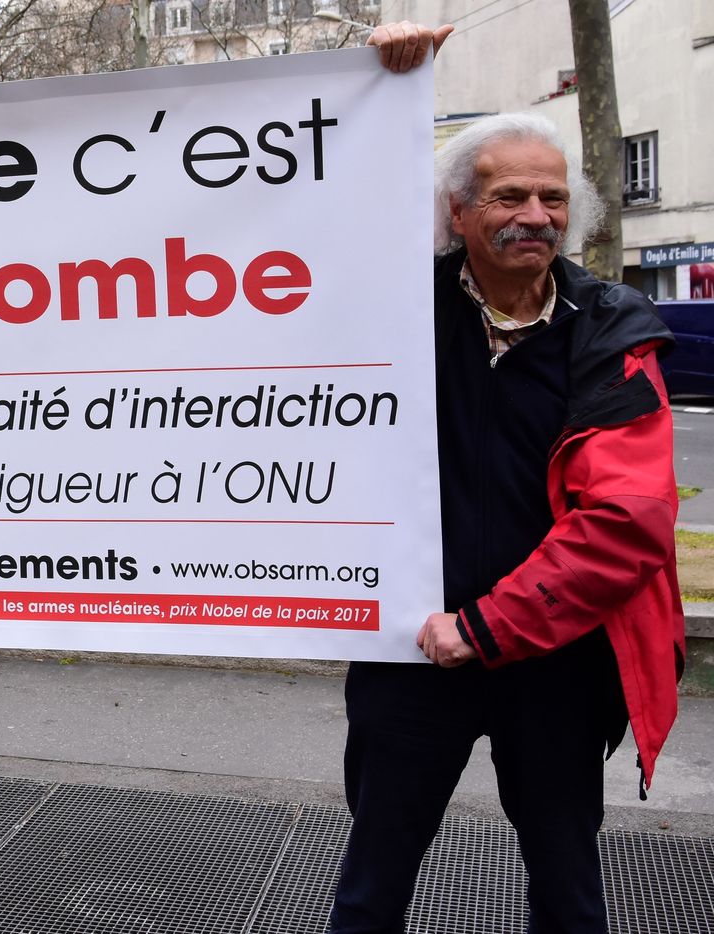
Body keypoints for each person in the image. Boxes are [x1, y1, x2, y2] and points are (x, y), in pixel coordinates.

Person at [328, 24, 685, 933]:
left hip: (554, 661)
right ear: (457, 212)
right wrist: (378, 75)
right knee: (370, 889)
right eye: (509, 195)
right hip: (412, 654)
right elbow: (318, 213)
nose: (536, 214)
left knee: (568, 892)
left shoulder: (612, 330)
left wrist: (487, 628)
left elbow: (628, 522)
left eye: (553, 197)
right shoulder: (396, 304)